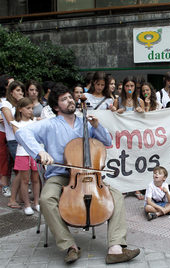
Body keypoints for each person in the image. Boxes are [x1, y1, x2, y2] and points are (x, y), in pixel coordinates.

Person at [15, 83, 140, 264]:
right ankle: (69, 245)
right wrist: (39, 152)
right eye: (64, 99)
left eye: (70, 97)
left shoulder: (86, 122)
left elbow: (106, 141)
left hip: (88, 176)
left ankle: (115, 247)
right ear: (57, 106)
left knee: (117, 196)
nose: (70, 100)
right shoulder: (49, 124)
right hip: (59, 174)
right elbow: (22, 133)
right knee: (45, 199)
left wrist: (97, 127)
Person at [10, 98, 40, 215]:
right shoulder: (15, 123)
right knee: (24, 180)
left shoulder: (35, 122)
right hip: (22, 154)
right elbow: (21, 139)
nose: (30, 111)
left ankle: (36, 202)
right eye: (28, 108)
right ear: (20, 109)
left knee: (36, 179)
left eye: (32, 108)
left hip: (34, 153)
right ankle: (27, 205)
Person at [2, 81, 25, 207]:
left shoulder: (20, 104)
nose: (20, 93)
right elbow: (12, 121)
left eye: (21, 90)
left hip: (22, 139)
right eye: (17, 90)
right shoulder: (5, 104)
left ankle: (21, 198)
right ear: (11, 92)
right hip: (13, 140)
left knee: (23, 171)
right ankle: (12, 200)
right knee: (21, 171)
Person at [0, 74, 13, 197]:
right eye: (11, 83)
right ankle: (4, 185)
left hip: (12, 133)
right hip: (2, 132)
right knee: (4, 159)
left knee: (12, 160)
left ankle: (12, 184)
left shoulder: (13, 100)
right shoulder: (2, 101)